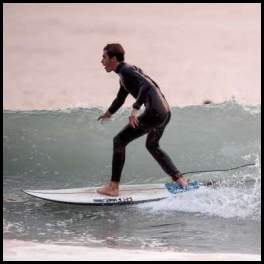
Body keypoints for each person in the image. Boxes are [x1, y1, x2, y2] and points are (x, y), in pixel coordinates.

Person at [97, 43, 188, 196]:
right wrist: (109, 113)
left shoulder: (126, 71)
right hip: (164, 112)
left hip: (154, 112)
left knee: (119, 141)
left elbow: (146, 86)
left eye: (104, 57)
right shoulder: (126, 73)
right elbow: (121, 98)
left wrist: (134, 109)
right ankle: (180, 180)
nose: (101, 61)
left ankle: (113, 187)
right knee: (152, 145)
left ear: (113, 59)